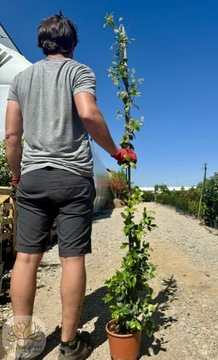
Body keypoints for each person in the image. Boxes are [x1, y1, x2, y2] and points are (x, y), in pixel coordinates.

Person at [5, 13, 137, 360]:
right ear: (73, 44)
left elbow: (12, 136)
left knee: (26, 259)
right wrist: (117, 151)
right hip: (72, 177)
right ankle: (69, 344)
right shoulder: (79, 71)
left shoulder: (22, 78)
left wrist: (17, 175)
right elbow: (90, 114)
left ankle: (25, 346)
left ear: (41, 43)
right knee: (71, 258)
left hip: (32, 177)